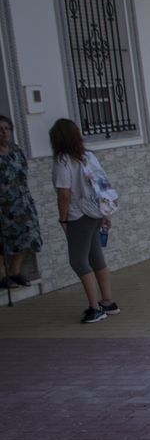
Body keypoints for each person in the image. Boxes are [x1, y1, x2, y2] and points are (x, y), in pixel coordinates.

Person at [49, 118, 118, 324]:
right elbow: (101, 185)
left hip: (78, 215)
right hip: (95, 212)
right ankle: (107, 301)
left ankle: (95, 308)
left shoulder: (62, 161)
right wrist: (105, 213)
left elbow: (64, 194)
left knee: (78, 260)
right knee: (95, 256)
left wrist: (63, 220)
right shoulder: (88, 156)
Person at [0, 114, 41, 288]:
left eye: (6, 129)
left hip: (21, 202)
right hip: (3, 205)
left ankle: (14, 270)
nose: (4, 132)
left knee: (29, 235)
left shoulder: (16, 150)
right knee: (2, 240)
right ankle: (2, 275)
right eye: (0, 130)